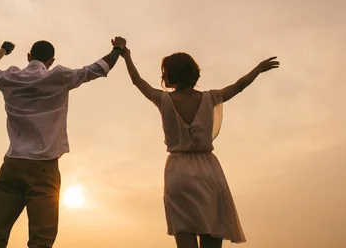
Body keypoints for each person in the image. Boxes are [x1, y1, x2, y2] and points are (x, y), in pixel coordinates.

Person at [119, 44, 279, 248]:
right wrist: (258, 69)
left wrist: (127, 56)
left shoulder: (163, 99)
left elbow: (138, 81)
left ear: (170, 76)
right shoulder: (210, 98)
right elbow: (238, 86)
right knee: (213, 231)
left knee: (185, 235)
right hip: (208, 172)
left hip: (178, 173)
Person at [0, 37, 127, 248]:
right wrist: (117, 49)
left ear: (29, 57)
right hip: (44, 167)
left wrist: (3, 50)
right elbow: (98, 68)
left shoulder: (10, 77)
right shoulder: (59, 77)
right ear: (51, 60)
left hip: (12, 164)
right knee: (41, 240)